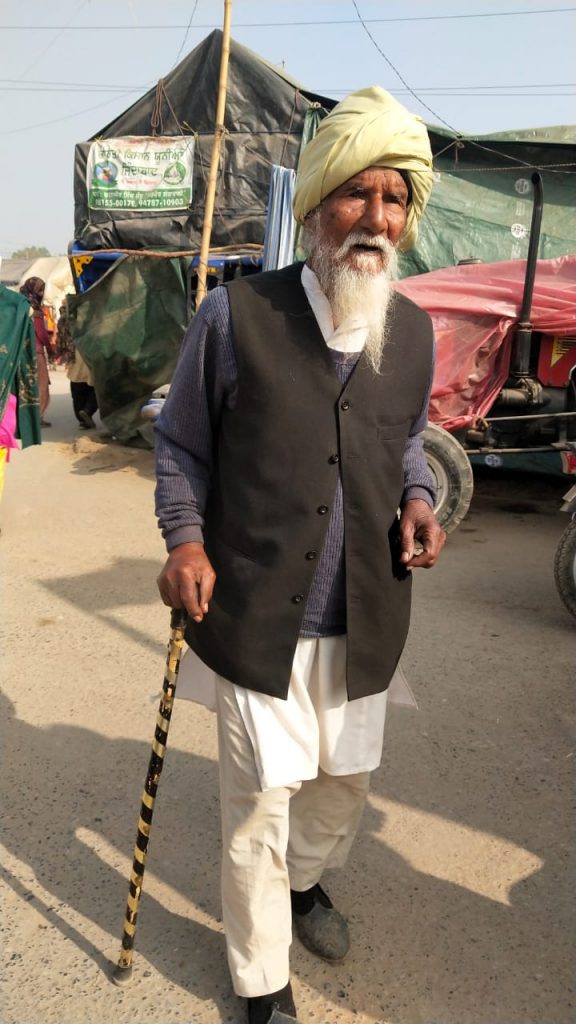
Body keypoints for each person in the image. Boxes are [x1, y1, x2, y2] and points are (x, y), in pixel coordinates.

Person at [154, 86, 446, 1024]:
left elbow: (407, 440)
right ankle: (261, 981)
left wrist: (419, 498)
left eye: (395, 198)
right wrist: (185, 539)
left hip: (366, 609)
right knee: (259, 807)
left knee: (343, 787)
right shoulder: (234, 316)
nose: (377, 217)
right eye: (357, 192)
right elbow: (181, 444)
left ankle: (305, 883)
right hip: (253, 610)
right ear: (318, 204)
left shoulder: (413, 332)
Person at [55, 302, 99, 429]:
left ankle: (82, 419)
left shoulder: (64, 317)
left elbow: (60, 337)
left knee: (77, 387)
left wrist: (60, 353)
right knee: (94, 386)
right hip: (88, 353)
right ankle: (87, 410)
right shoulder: (89, 312)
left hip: (72, 354)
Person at [19, 277, 53, 428]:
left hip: (21, 352)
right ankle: (37, 417)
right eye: (39, 290)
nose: (41, 293)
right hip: (36, 352)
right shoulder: (35, 309)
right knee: (42, 385)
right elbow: (41, 334)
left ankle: (24, 418)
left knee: (26, 385)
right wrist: (50, 350)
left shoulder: (20, 305)